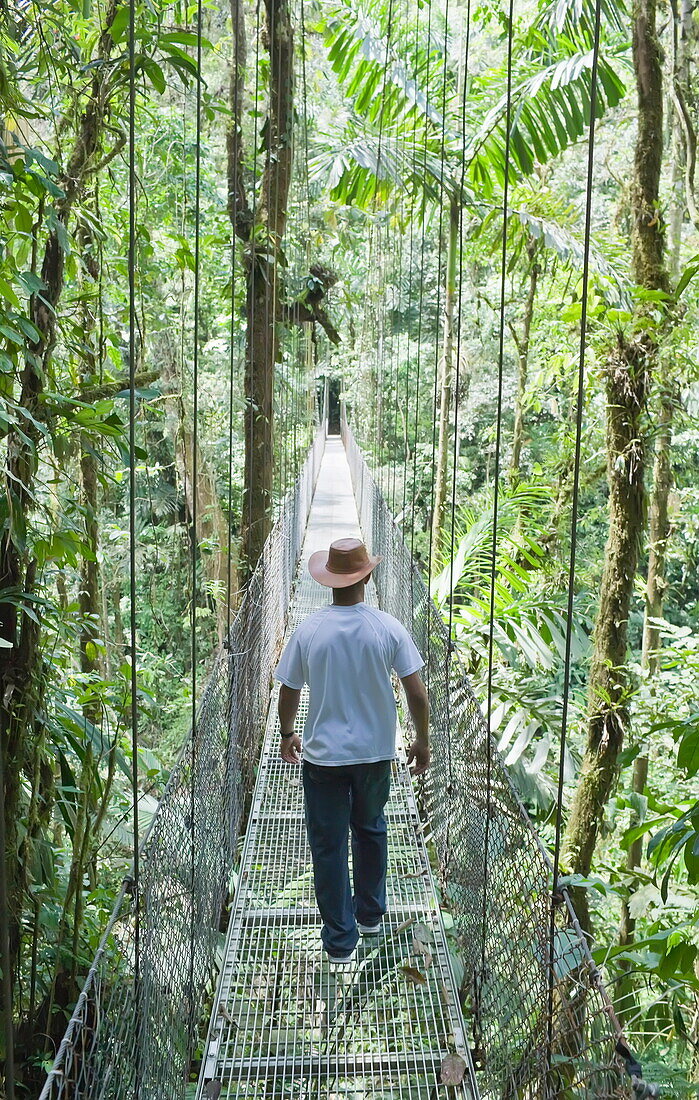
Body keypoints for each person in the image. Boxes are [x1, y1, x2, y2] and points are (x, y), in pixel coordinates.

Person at [274, 537, 430, 964]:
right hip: (376, 754)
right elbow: (416, 693)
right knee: (371, 828)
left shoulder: (309, 629)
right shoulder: (388, 626)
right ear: (368, 576)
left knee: (327, 844)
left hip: (323, 758)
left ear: (329, 581)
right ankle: (371, 917)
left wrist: (288, 733)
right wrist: (422, 740)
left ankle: (340, 942)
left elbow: (288, 689)